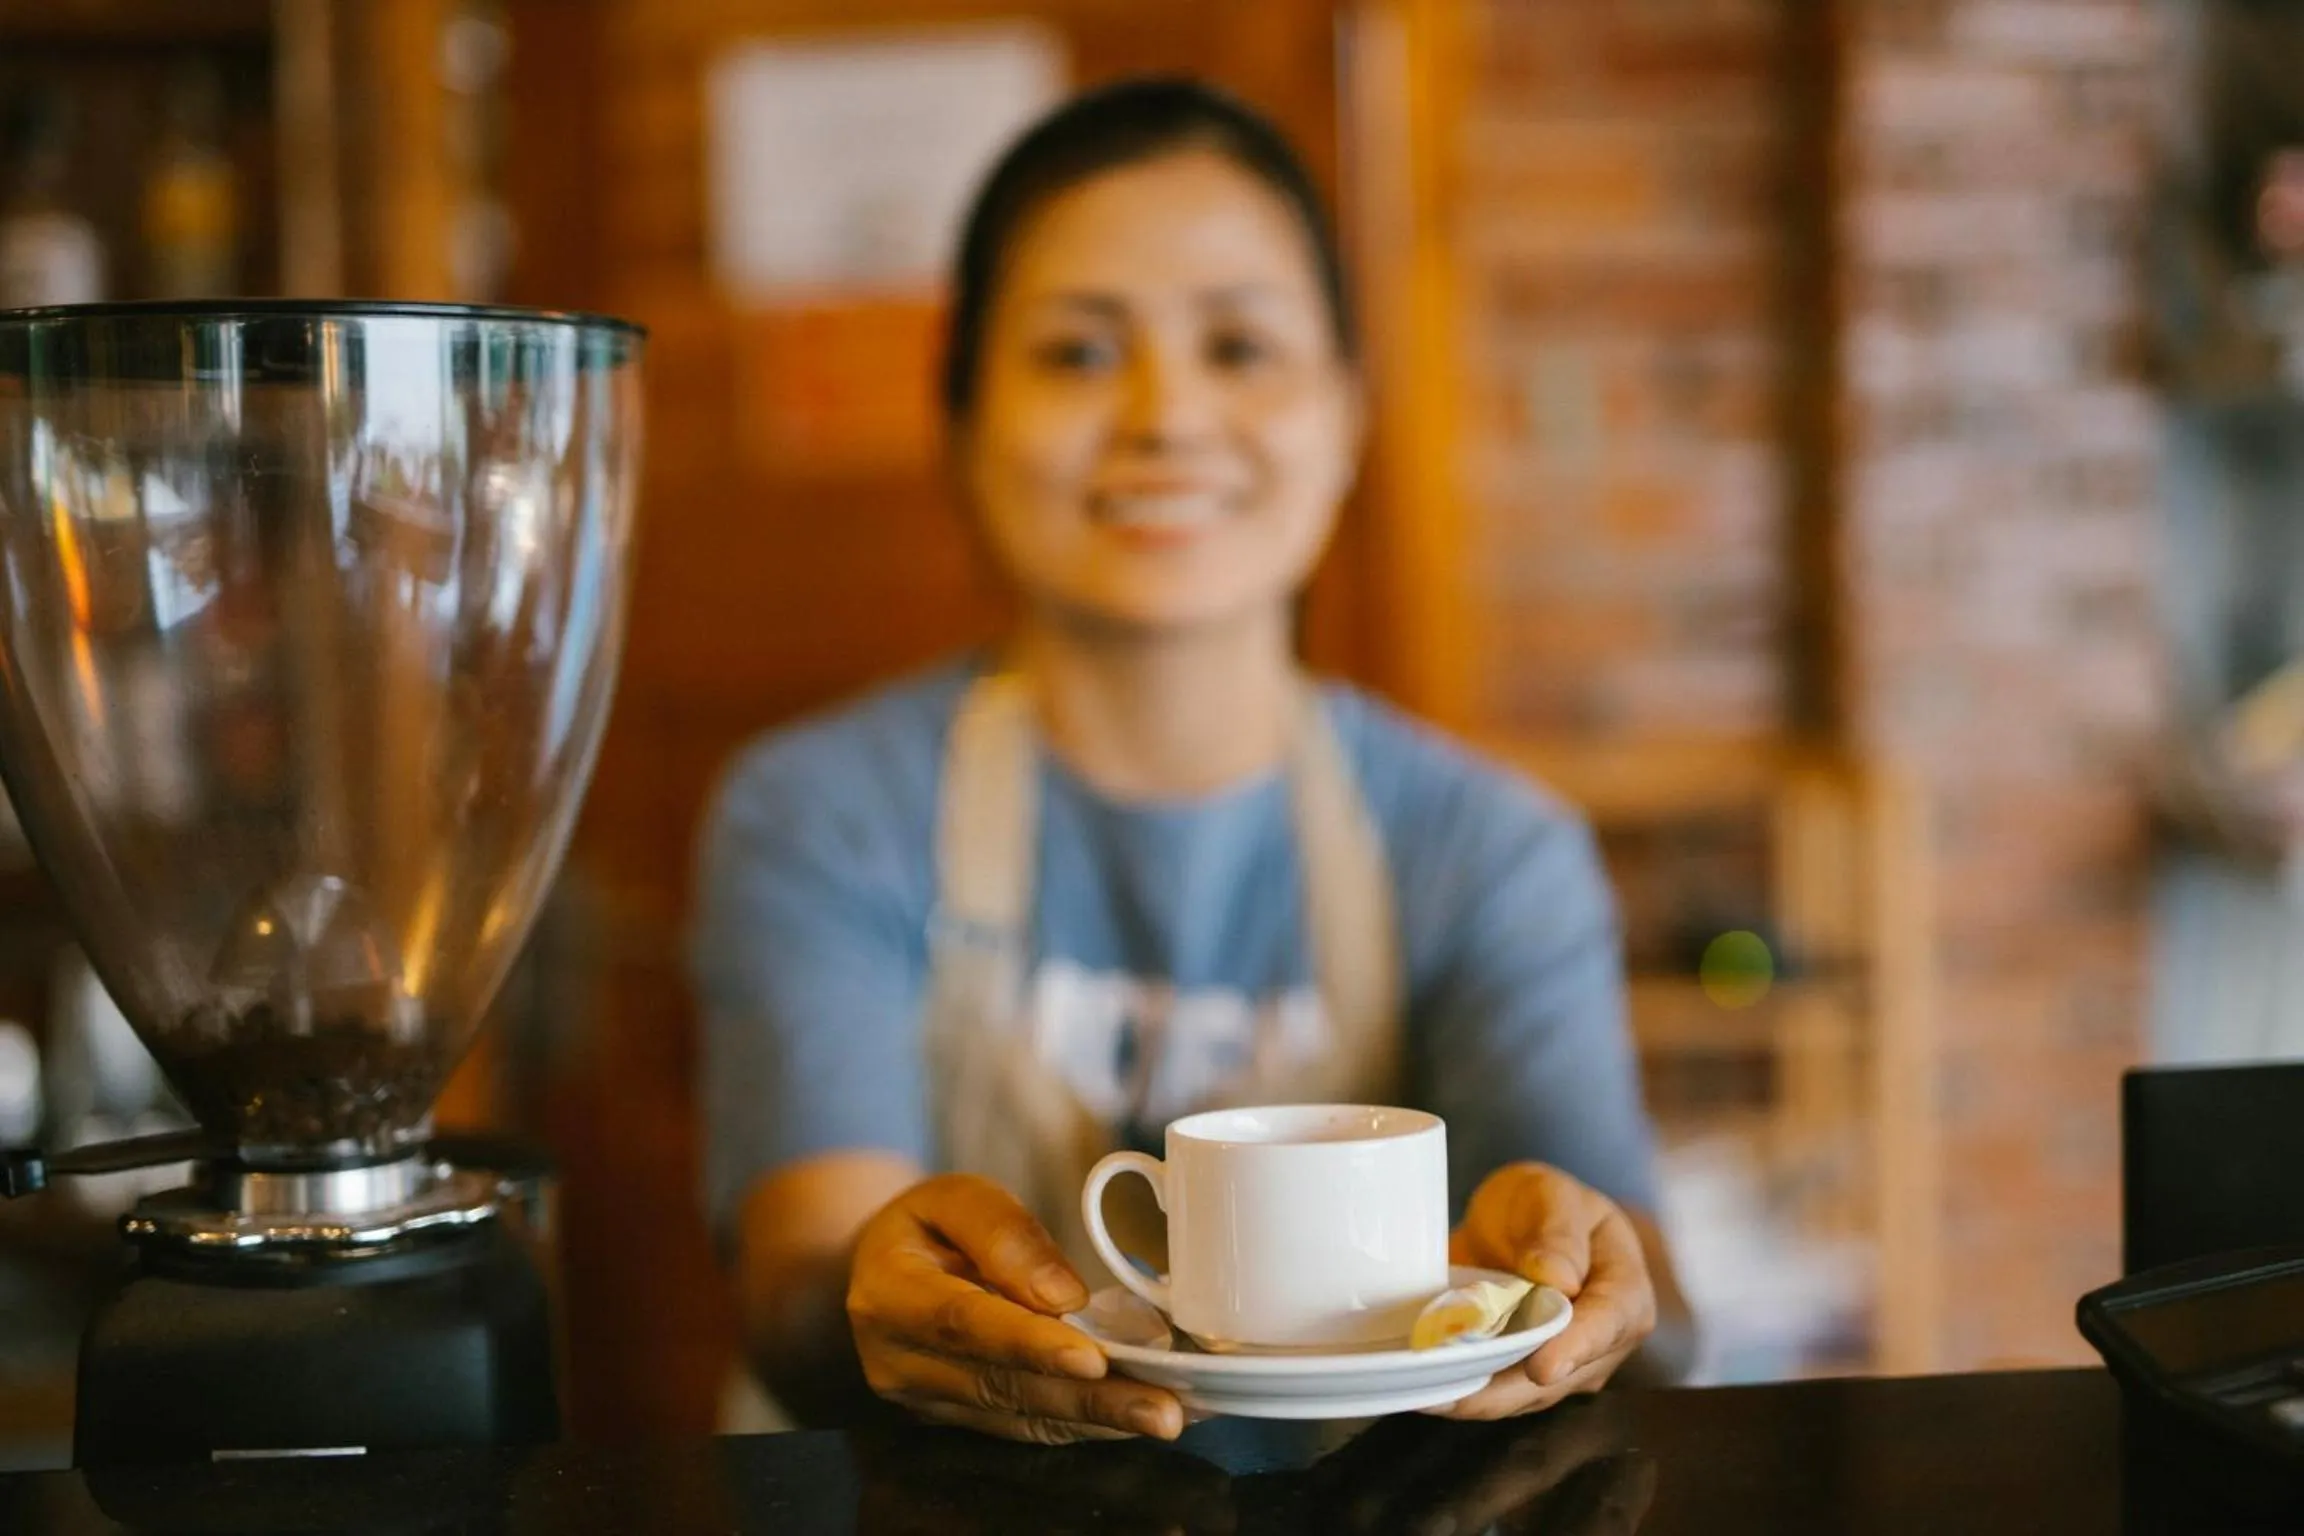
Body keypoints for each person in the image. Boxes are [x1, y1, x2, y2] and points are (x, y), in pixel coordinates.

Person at [693, 77, 1694, 1446]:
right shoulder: (821, 813)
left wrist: (1601, 1280)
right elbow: (800, 1282)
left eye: (1238, 345)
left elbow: (1655, 1304)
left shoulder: (1486, 844)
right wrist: (860, 1294)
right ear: (964, 420)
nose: (1166, 416)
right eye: (1080, 353)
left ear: (1346, 413)